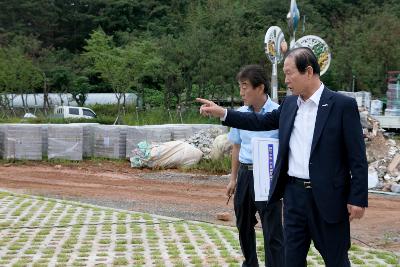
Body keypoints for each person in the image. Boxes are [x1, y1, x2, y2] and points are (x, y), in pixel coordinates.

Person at [197, 47, 368, 267]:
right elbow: (259, 122)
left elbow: (357, 157)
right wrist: (224, 113)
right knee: (291, 260)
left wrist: (357, 198)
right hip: (294, 197)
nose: (285, 79)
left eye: (289, 73)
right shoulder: (289, 104)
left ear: (308, 71)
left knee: (336, 259)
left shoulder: (341, 105)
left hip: (328, 198)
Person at [227, 65, 284, 267]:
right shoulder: (240, 115)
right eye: (240, 87)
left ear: (260, 88)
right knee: (243, 223)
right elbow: (236, 146)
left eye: (245, 87)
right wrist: (233, 179)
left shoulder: (279, 113)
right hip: (245, 173)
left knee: (272, 227)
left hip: (268, 175)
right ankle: (250, 263)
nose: (241, 92)